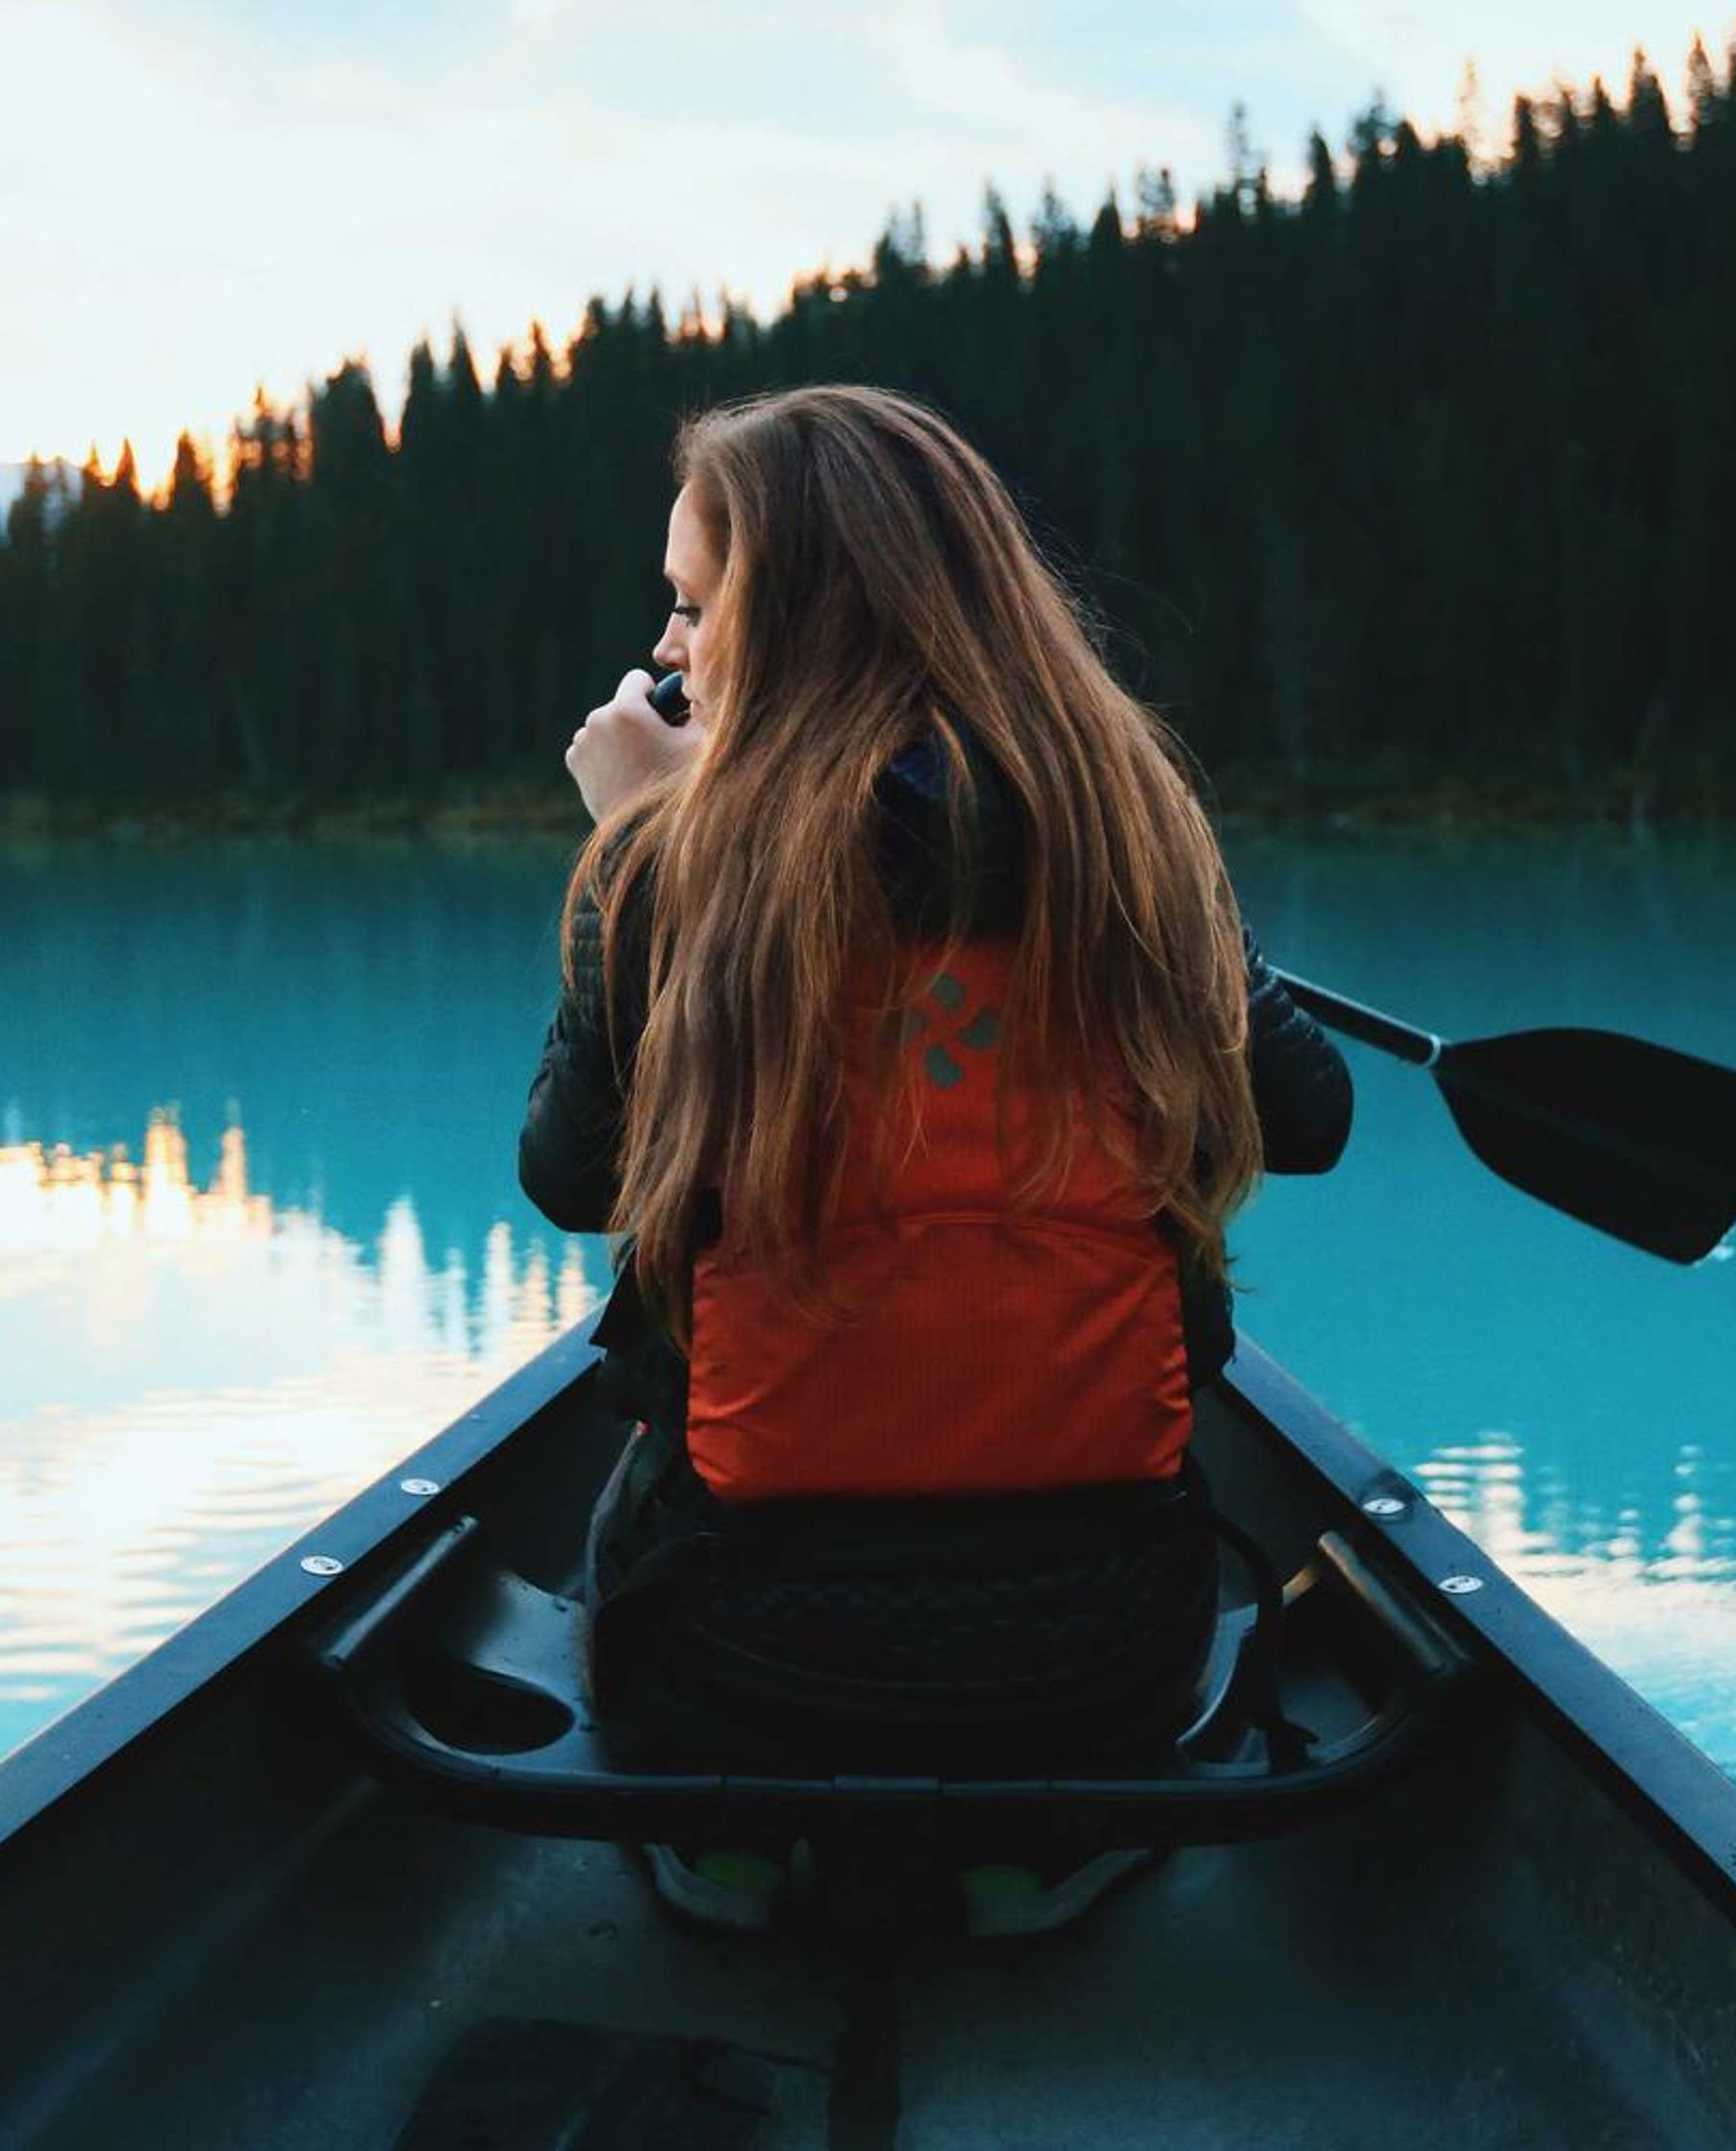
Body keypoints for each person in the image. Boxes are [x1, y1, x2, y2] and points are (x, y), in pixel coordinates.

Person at [519, 385, 1350, 1936]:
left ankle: (729, 1851)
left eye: (694, 604)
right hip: (1100, 1661)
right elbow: (1310, 1121)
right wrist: (1190, 915)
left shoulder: (676, 865)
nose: (669, 651)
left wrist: (633, 843)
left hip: (738, 1664)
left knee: (638, 1471)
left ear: (792, 614)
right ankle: (1034, 1851)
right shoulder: (1128, 828)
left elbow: (570, 1181)